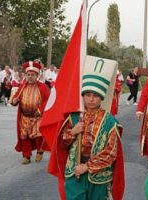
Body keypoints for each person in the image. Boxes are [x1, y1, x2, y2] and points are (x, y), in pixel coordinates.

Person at [53, 67, 125, 200]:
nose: (91, 99)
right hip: (75, 173)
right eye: (88, 95)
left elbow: (111, 153)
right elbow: (61, 144)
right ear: (83, 96)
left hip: (98, 175)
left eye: (95, 95)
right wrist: (73, 132)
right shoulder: (73, 117)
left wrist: (87, 166)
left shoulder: (110, 122)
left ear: (101, 97)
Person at [11, 61, 50, 164]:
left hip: (37, 117)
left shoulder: (43, 87)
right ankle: (26, 156)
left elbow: (47, 100)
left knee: (38, 136)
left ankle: (40, 150)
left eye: (33, 75)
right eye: (28, 75)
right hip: (24, 117)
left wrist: (40, 110)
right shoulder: (22, 86)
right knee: (24, 136)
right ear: (25, 76)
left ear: (37, 76)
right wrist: (14, 101)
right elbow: (16, 97)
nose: (30, 77)